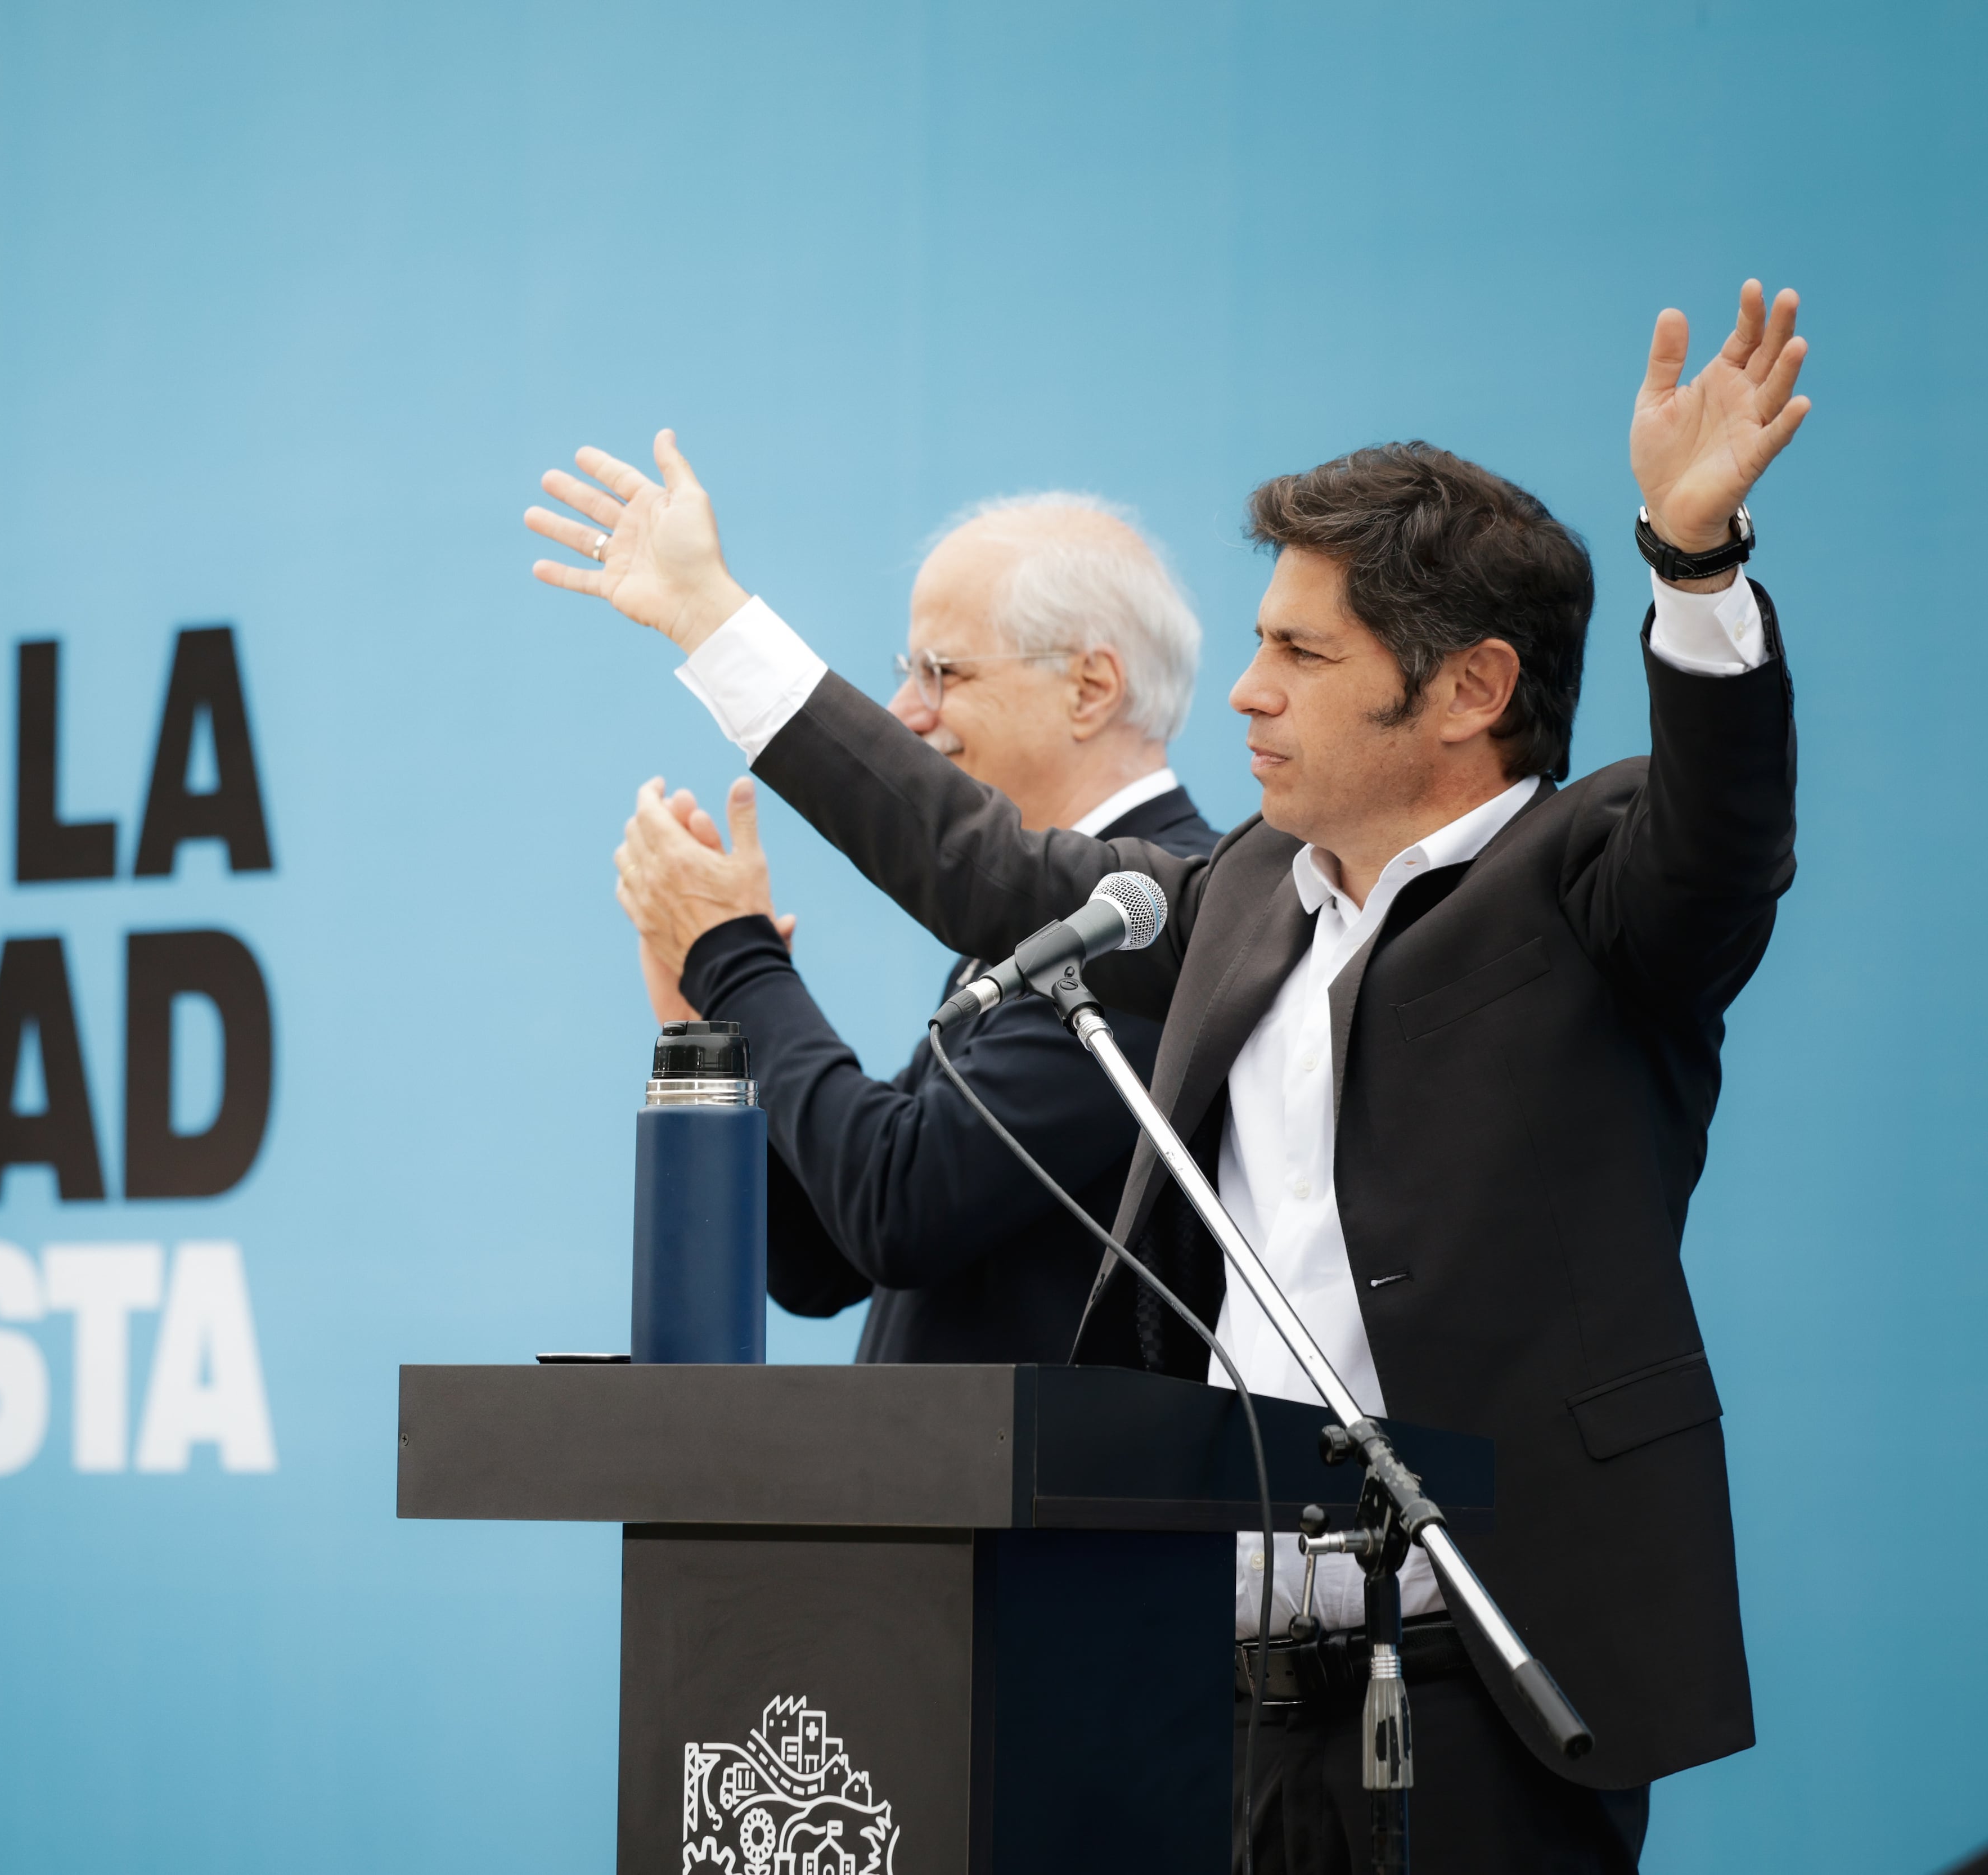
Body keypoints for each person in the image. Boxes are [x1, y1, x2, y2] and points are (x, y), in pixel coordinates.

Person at [524, 279, 1811, 1873]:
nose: (1250, 690)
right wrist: (713, 617)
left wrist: (1693, 562)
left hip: (1485, 1685)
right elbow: (961, 852)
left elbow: (1726, 834)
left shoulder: (1591, 880)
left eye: (1301, 652)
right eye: (1259, 642)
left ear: (1470, 689)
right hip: (1218, 1691)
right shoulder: (1235, 891)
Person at [617, 494, 1219, 1363]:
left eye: (943, 671)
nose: (906, 709)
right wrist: (714, 1031)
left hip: (1055, 1455)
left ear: (1091, 688)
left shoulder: (1150, 921)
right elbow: (825, 1261)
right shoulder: (1066, 917)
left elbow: (899, 1208)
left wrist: (738, 960)